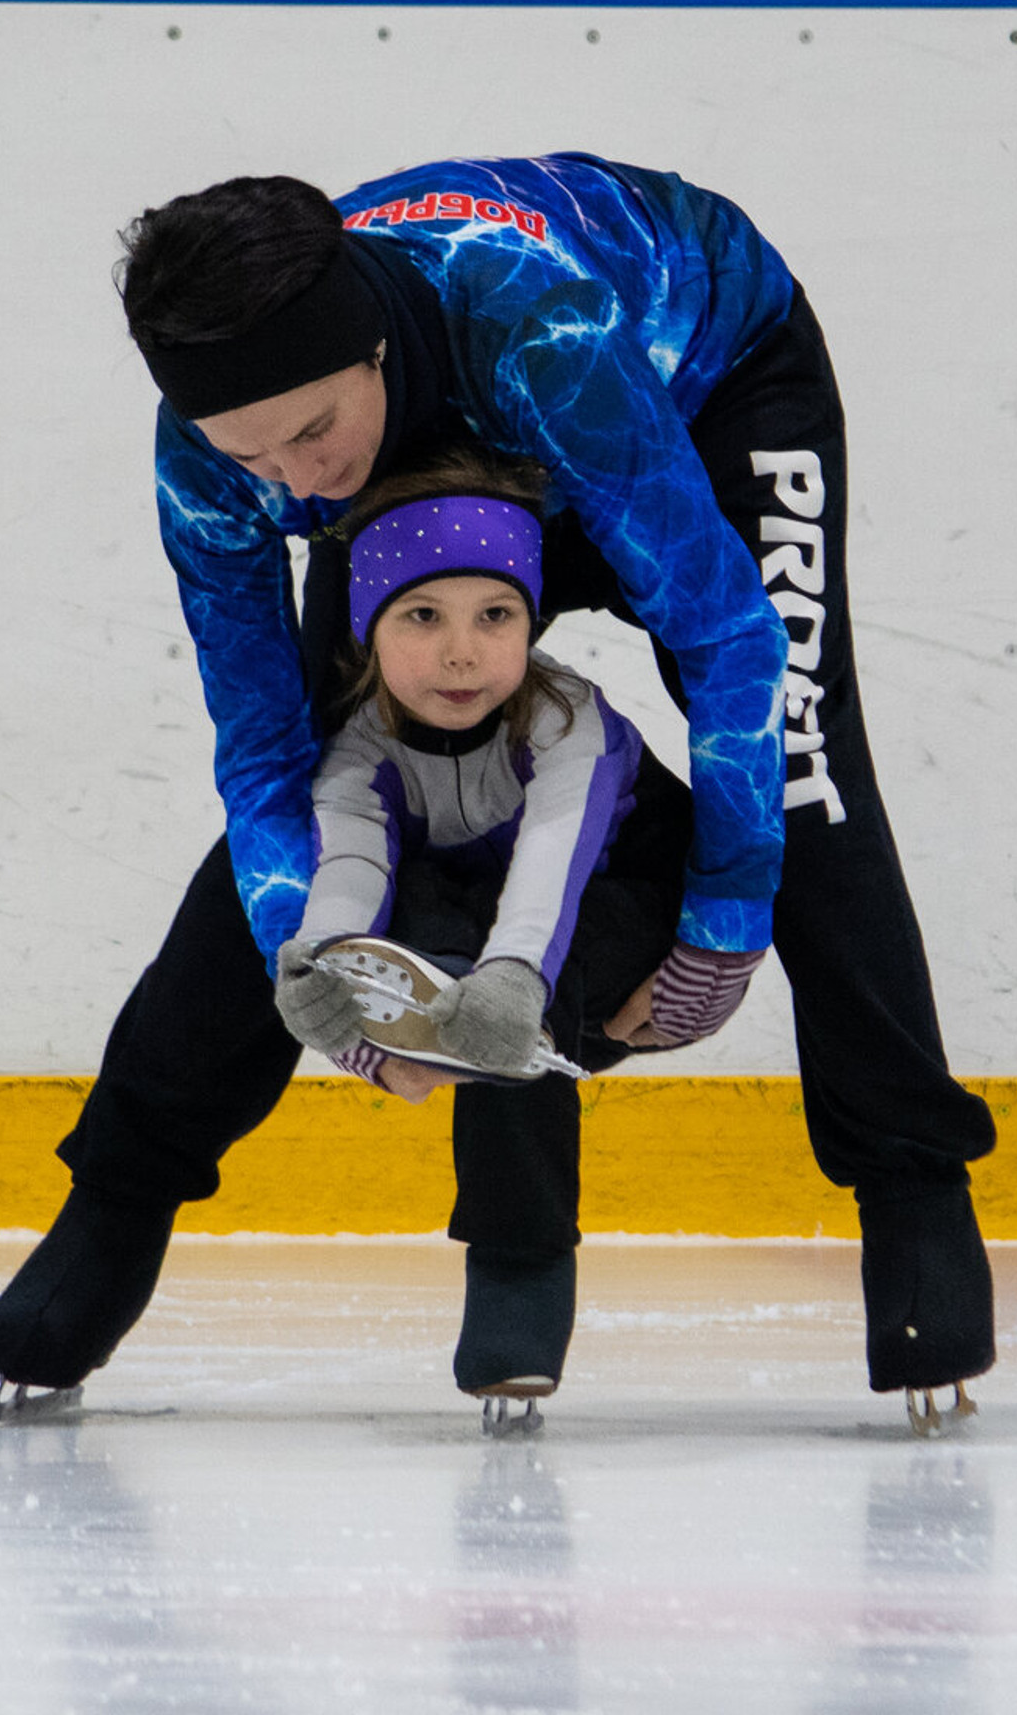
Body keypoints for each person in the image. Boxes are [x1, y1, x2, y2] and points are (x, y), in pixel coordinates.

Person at [0, 152, 996, 1418]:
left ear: (374, 357)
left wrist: (723, 926)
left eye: (308, 432)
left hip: (694, 388)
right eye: (252, 455)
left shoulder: (543, 336)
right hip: (449, 454)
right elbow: (265, 757)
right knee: (338, 784)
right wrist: (326, 991)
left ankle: (913, 1194)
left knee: (797, 764)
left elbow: (732, 639)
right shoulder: (220, 457)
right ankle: (114, 1204)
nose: (291, 479)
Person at [273, 449, 699, 1398]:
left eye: (495, 617)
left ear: (529, 623)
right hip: (479, 909)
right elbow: (349, 866)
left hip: (622, 905)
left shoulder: (568, 723)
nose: (462, 652)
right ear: (368, 628)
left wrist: (511, 990)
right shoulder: (357, 751)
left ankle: (522, 1262)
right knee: (429, 930)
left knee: (515, 1015)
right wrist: (324, 967)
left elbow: (552, 869)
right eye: (424, 617)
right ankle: (458, 1043)